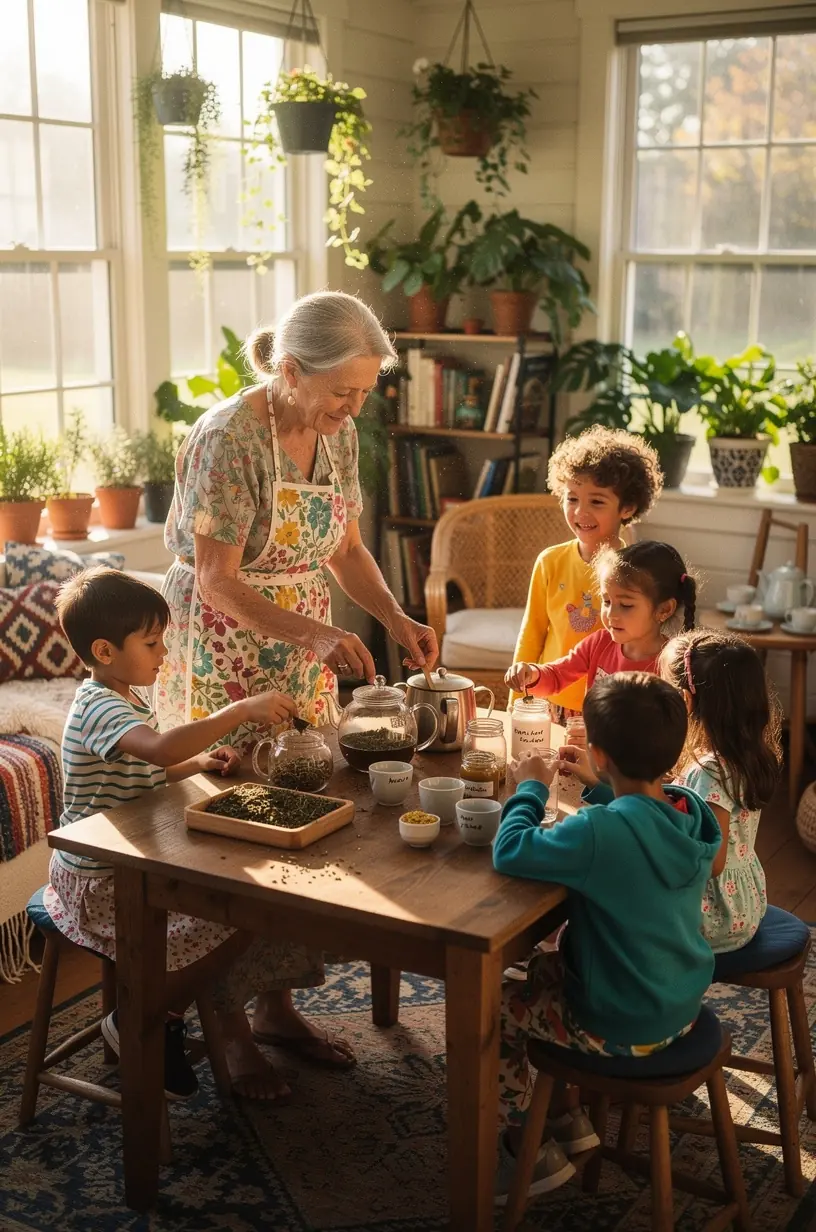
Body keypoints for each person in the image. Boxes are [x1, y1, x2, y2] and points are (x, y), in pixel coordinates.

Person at [42, 567, 298, 1100]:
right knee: (236, 915)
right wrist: (238, 711)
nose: (163, 652)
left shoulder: (127, 697)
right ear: (105, 651)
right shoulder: (97, 706)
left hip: (127, 865)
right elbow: (159, 751)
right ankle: (146, 1016)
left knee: (241, 905)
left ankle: (161, 1014)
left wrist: (199, 762)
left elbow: (150, 766)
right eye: (152, 642)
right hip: (95, 881)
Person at [157, 289, 437, 749]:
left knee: (307, 766)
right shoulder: (228, 438)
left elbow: (347, 551)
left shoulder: (338, 432)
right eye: (342, 392)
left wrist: (396, 619)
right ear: (290, 371)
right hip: (222, 643)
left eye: (365, 392)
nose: (355, 408)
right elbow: (216, 581)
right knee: (232, 778)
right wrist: (317, 636)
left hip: (305, 648)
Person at [491, 673, 721, 1204]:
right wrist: (601, 786)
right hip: (678, 1004)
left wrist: (530, 787)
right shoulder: (690, 811)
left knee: (497, 1006)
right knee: (542, 971)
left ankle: (525, 1144)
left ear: (598, 752)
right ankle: (566, 1117)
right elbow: (641, 821)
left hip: (619, 1023)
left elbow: (511, 850)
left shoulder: (599, 832)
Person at [510, 426, 662, 719]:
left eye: (597, 501)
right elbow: (531, 635)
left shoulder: (636, 574)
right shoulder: (549, 561)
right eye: (572, 498)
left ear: (627, 508)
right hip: (548, 700)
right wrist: (517, 698)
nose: (580, 512)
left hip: (608, 708)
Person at [660, 629, 781, 953]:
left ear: (685, 700)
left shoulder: (709, 771)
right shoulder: (745, 754)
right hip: (743, 905)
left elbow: (712, 863)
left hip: (713, 919)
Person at [505, 540, 695, 701]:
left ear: (664, 609)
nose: (611, 614)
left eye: (626, 605)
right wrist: (531, 673)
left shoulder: (672, 664)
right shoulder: (598, 643)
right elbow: (556, 675)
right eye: (606, 601)